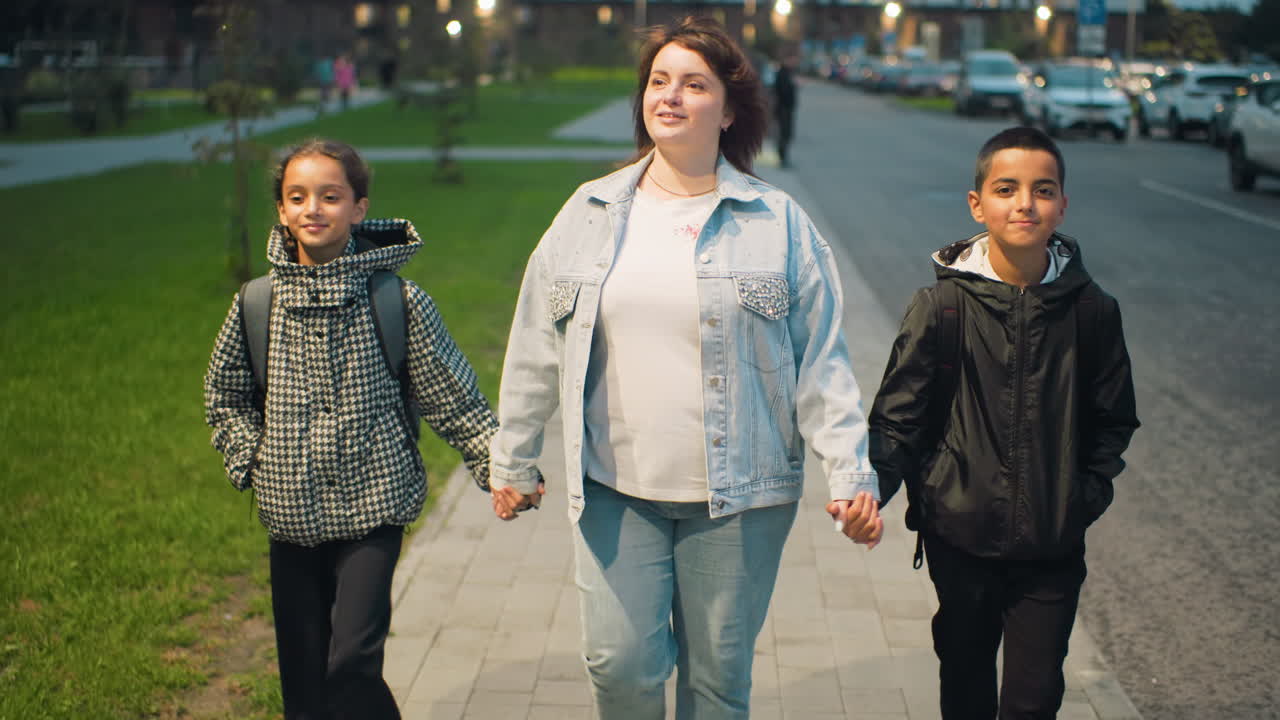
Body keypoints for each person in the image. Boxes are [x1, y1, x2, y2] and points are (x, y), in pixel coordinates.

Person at [487, 16, 883, 720]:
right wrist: (513, 459)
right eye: (658, 81)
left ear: (729, 111)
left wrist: (851, 474)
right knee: (621, 668)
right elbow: (533, 345)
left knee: (716, 684)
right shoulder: (588, 211)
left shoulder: (777, 221)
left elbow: (822, 361)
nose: (669, 96)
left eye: (693, 84)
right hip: (614, 492)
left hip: (739, 501)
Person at [203, 138, 498, 720]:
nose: (314, 208)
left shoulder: (396, 300)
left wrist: (497, 463)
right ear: (283, 212)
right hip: (291, 513)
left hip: (373, 508)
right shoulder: (256, 304)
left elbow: (453, 395)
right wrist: (253, 461)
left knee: (351, 664)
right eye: (298, 196)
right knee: (305, 690)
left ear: (359, 207)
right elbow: (225, 397)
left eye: (330, 196)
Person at [868, 126, 1140, 720]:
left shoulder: (1093, 312)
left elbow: (1113, 419)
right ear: (978, 204)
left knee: (1034, 698)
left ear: (1062, 204)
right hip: (959, 542)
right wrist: (872, 493)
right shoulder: (942, 308)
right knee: (965, 686)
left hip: (1051, 547)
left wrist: (1081, 497)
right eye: (1006, 188)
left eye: (1043, 190)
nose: (1025, 203)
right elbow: (898, 417)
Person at [772, 53, 798, 168]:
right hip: (783, 108)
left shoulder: (787, 72)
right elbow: (781, 90)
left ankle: (783, 157)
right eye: (792, 59)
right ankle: (782, 158)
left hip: (787, 108)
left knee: (787, 134)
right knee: (784, 133)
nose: (794, 62)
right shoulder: (782, 73)